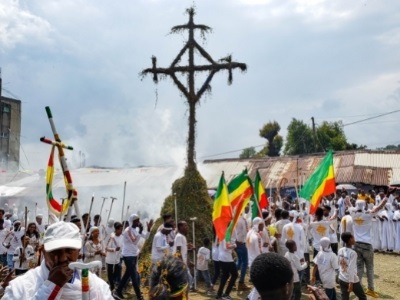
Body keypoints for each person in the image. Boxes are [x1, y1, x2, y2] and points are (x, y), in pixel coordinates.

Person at [2, 221, 113, 299]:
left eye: (69, 250)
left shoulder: (98, 287)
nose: (63, 258)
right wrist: (51, 286)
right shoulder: (21, 288)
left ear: (78, 252)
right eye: (55, 251)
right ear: (44, 252)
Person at [351, 196, 387, 298]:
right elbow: (379, 207)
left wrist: (349, 201)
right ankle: (370, 289)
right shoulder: (368, 215)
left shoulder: (353, 214)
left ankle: (358, 288)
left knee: (359, 268)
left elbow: (348, 204)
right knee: (370, 268)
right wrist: (387, 196)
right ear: (364, 205)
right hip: (367, 245)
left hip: (356, 244)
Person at [113, 213, 153, 300]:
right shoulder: (128, 230)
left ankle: (118, 291)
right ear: (132, 221)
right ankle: (139, 296)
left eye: (138, 220)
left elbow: (146, 237)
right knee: (134, 275)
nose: (138, 222)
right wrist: (139, 232)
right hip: (128, 256)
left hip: (134, 255)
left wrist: (149, 229)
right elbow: (134, 241)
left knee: (128, 274)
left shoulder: (136, 230)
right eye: (136, 221)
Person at [338, 232, 366, 300]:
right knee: (363, 297)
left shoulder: (340, 250)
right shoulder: (353, 253)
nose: (354, 239)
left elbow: (339, 264)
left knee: (344, 297)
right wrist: (351, 283)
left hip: (342, 278)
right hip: (351, 280)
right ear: (350, 239)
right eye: (353, 237)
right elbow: (351, 268)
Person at [233, 206, 251, 291]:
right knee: (245, 262)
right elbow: (246, 233)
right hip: (241, 243)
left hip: (235, 243)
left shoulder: (234, 218)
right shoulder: (243, 220)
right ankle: (241, 283)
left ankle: (232, 278)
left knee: (239, 261)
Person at [216, 236, 238, 300]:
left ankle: (220, 294)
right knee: (234, 274)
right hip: (226, 258)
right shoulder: (227, 235)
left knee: (225, 275)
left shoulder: (222, 234)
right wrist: (235, 245)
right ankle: (225, 294)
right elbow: (227, 247)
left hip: (222, 257)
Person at [105, 221, 123, 292]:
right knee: (110, 274)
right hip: (110, 259)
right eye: (120, 229)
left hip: (117, 259)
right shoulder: (112, 237)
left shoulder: (122, 237)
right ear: (116, 229)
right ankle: (111, 286)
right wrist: (114, 249)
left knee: (116, 273)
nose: (121, 231)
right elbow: (107, 248)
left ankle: (113, 284)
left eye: (122, 229)